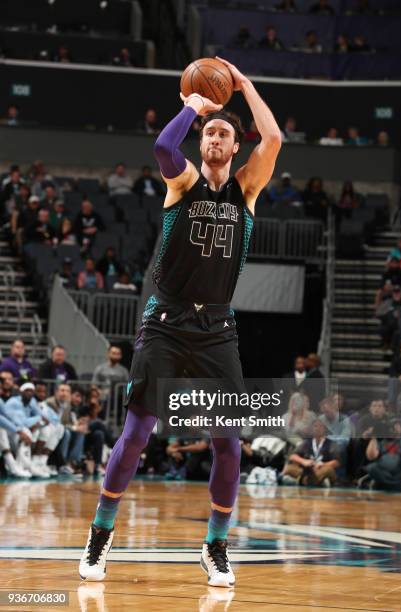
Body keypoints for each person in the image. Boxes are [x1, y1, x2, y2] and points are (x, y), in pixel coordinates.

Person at [79, 56, 282, 586]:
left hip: (218, 330)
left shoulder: (247, 191)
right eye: (209, 133)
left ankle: (215, 545)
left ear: (235, 146)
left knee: (228, 443)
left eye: (223, 133)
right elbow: (164, 148)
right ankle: (100, 535)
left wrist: (244, 85)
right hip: (166, 324)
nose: (214, 138)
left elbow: (275, 138)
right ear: (202, 141)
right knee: (137, 433)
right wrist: (196, 104)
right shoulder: (183, 182)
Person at [281, 419, 340, 486]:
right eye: (315, 426)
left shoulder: (331, 443)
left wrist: (322, 464)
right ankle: (319, 482)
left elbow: (336, 462)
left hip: (322, 469)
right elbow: (293, 456)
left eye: (321, 426)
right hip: (308, 471)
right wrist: (304, 461)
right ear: (312, 429)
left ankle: (304, 481)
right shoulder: (307, 442)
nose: (318, 428)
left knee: (328, 470)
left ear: (325, 429)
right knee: (289, 468)